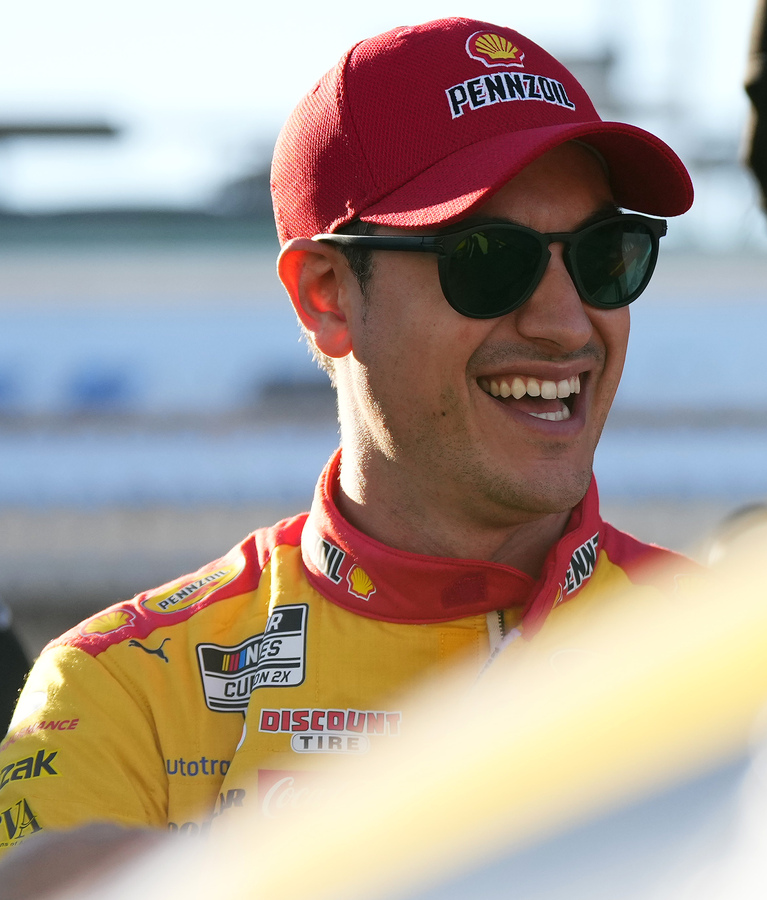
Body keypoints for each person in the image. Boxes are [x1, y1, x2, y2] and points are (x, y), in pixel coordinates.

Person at [0, 17, 696, 856]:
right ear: (326, 294)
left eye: (603, 255)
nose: (562, 323)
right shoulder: (124, 695)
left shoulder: (755, 649)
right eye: (486, 257)